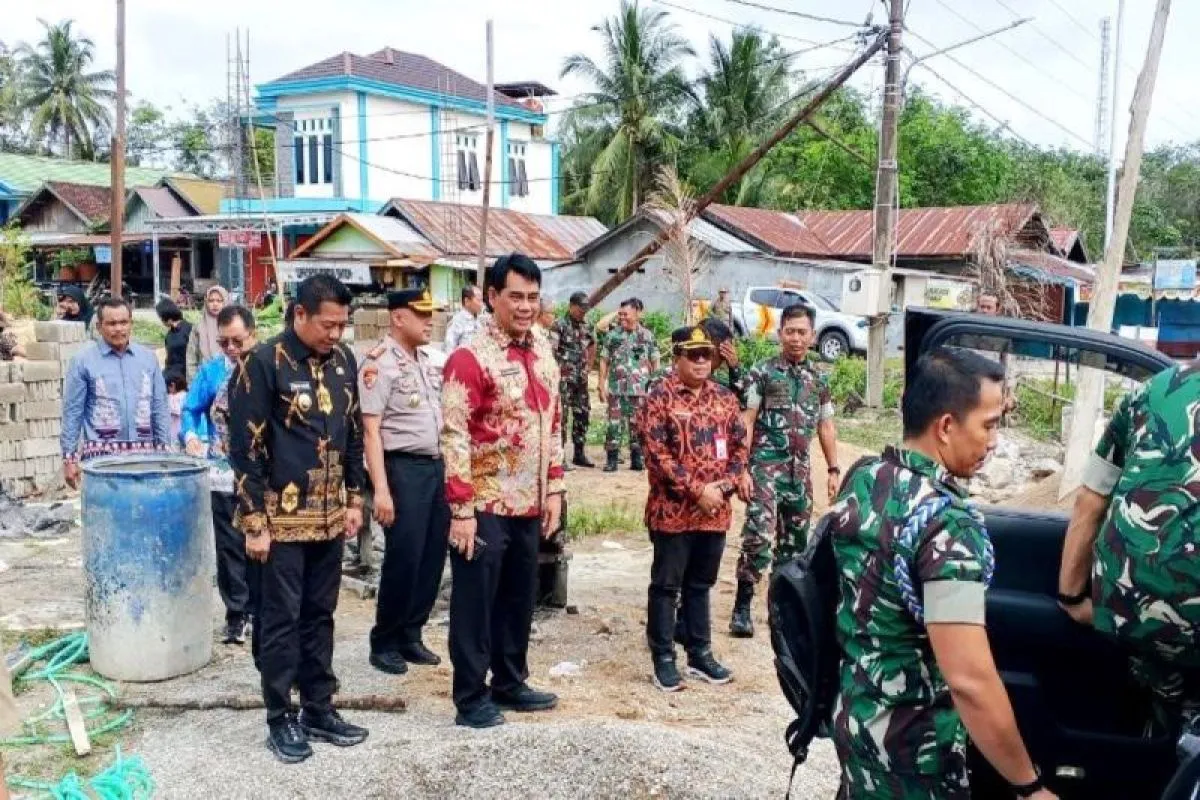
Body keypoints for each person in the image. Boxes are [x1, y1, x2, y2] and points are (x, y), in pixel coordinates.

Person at [828, 347, 1053, 800]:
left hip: (858, 723)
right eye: (988, 425)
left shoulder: (866, 478)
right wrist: (1029, 785)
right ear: (946, 426)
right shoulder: (948, 525)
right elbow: (969, 680)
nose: (994, 441)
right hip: (914, 750)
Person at [228, 274, 368, 764]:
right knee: (280, 620)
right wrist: (255, 523)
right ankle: (279, 715)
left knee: (320, 616)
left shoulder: (344, 361)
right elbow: (243, 448)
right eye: (328, 325)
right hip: (280, 523)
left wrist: (355, 499)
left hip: (330, 518)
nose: (335, 334)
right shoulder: (263, 363)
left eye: (342, 325)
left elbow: (352, 433)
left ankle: (318, 707)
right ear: (300, 314)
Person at [441, 252, 564, 729]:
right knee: (476, 602)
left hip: (529, 501)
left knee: (518, 596)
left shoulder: (542, 351)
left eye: (533, 297)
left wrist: (554, 490)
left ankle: (510, 681)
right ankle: (471, 696)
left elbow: (552, 422)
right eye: (516, 296)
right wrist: (461, 511)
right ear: (492, 297)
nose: (526, 306)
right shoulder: (470, 357)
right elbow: (453, 436)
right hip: (484, 502)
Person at [1058, 359, 1200, 731]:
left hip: (1129, 606)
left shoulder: (1150, 390)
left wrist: (1071, 596)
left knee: (1159, 684)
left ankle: (1166, 726)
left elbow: (1091, 499)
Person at [636, 326, 750, 692]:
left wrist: (726, 486)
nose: (701, 361)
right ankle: (663, 659)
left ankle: (700, 653)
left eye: (707, 355)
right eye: (693, 354)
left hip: (714, 513)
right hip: (673, 512)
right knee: (666, 587)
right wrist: (698, 491)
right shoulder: (659, 397)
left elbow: (740, 448)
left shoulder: (725, 397)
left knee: (701, 585)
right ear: (678, 357)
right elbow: (657, 455)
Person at [730, 304, 838, 638]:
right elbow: (747, 421)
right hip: (764, 469)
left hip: (799, 474)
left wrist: (833, 469)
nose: (796, 338)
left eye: (802, 332)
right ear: (780, 334)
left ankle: (780, 610)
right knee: (759, 536)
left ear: (813, 336)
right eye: (790, 331)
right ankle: (742, 606)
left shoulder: (819, 379)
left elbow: (826, 426)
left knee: (794, 546)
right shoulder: (762, 372)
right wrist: (741, 468)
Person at [358, 289, 450, 676]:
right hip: (402, 469)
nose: (430, 321)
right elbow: (371, 432)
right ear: (398, 317)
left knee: (432, 554)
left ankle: (412, 632)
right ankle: (385, 640)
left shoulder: (425, 361)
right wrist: (381, 489)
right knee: (404, 556)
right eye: (421, 314)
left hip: (434, 466)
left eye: (431, 314)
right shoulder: (378, 364)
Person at [182, 305, 258, 646]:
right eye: (224, 342)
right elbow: (191, 408)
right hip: (224, 472)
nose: (231, 349)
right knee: (229, 546)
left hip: (260, 474)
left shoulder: (266, 367)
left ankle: (260, 609)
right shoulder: (212, 371)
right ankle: (237, 614)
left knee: (260, 542)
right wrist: (191, 435)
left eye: (237, 341)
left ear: (253, 334)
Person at [60, 297, 170, 487]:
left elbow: (159, 407)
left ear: (131, 324)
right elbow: (72, 412)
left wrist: (165, 451)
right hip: (101, 464)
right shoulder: (83, 362)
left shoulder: (148, 359)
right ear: (99, 327)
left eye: (123, 322)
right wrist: (69, 458)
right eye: (111, 323)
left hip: (145, 460)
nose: (118, 328)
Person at [598, 298, 658, 473]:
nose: (622, 317)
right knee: (613, 424)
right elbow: (604, 360)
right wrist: (601, 384)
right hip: (617, 389)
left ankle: (637, 459)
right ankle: (612, 460)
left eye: (626, 314)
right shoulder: (613, 335)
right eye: (620, 314)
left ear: (637, 313)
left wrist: (656, 384)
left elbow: (655, 360)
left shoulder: (647, 336)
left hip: (639, 389)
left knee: (637, 424)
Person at [552, 291, 596, 469]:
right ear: (571, 306)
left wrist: (589, 366)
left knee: (582, 414)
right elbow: (552, 350)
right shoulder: (559, 325)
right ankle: (560, 456)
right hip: (564, 380)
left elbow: (592, 345)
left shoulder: (587, 325)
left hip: (581, 379)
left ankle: (579, 453)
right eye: (580, 308)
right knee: (562, 417)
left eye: (585, 309)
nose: (583, 312)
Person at [187, 285, 230, 382]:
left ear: (226, 302)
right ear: (206, 302)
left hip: (228, 379)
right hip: (203, 380)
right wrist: (193, 382)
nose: (215, 304)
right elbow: (191, 357)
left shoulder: (232, 326)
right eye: (211, 300)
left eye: (219, 301)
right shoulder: (198, 327)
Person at [156, 298, 193, 379]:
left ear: (167, 317)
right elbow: (169, 361)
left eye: (161, 318)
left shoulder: (190, 330)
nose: (161, 321)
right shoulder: (169, 335)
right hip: (171, 376)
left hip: (185, 376)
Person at [443, 284, 485, 352]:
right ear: (467, 301)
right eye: (479, 300)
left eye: (482, 300)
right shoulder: (457, 321)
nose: (481, 304)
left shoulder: (478, 320)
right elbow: (449, 348)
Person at [165, 367, 187, 449]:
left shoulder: (180, 396)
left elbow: (177, 410)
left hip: (178, 430)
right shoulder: (185, 395)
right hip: (176, 430)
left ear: (173, 385)